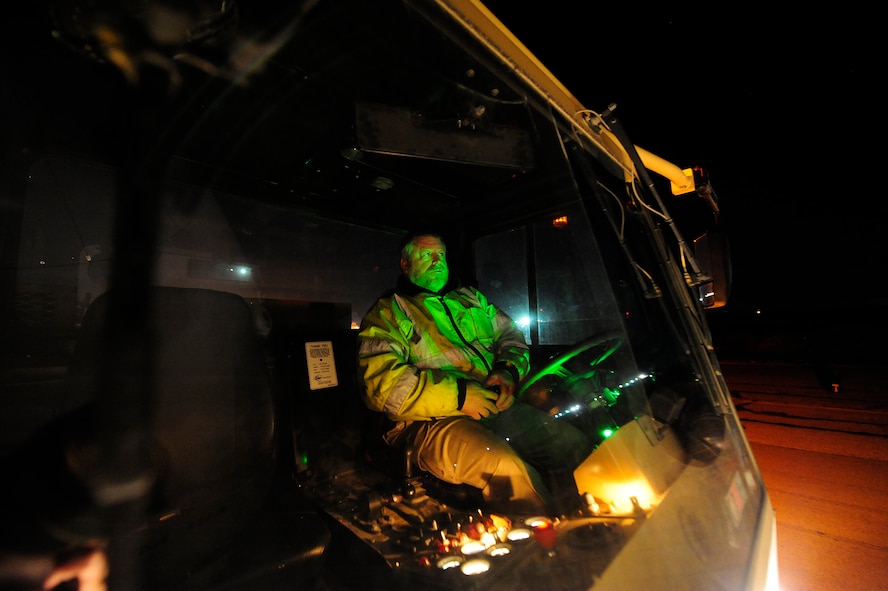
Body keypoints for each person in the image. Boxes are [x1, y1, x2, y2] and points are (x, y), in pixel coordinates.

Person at [356, 232, 593, 515]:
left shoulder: (473, 299)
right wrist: (459, 396)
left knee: (571, 443)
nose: (437, 261)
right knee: (506, 468)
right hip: (427, 422)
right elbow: (381, 386)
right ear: (405, 265)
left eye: (440, 255)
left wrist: (507, 371)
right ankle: (550, 547)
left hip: (495, 406)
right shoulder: (388, 314)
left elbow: (512, 336)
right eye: (426, 255)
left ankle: (591, 515)